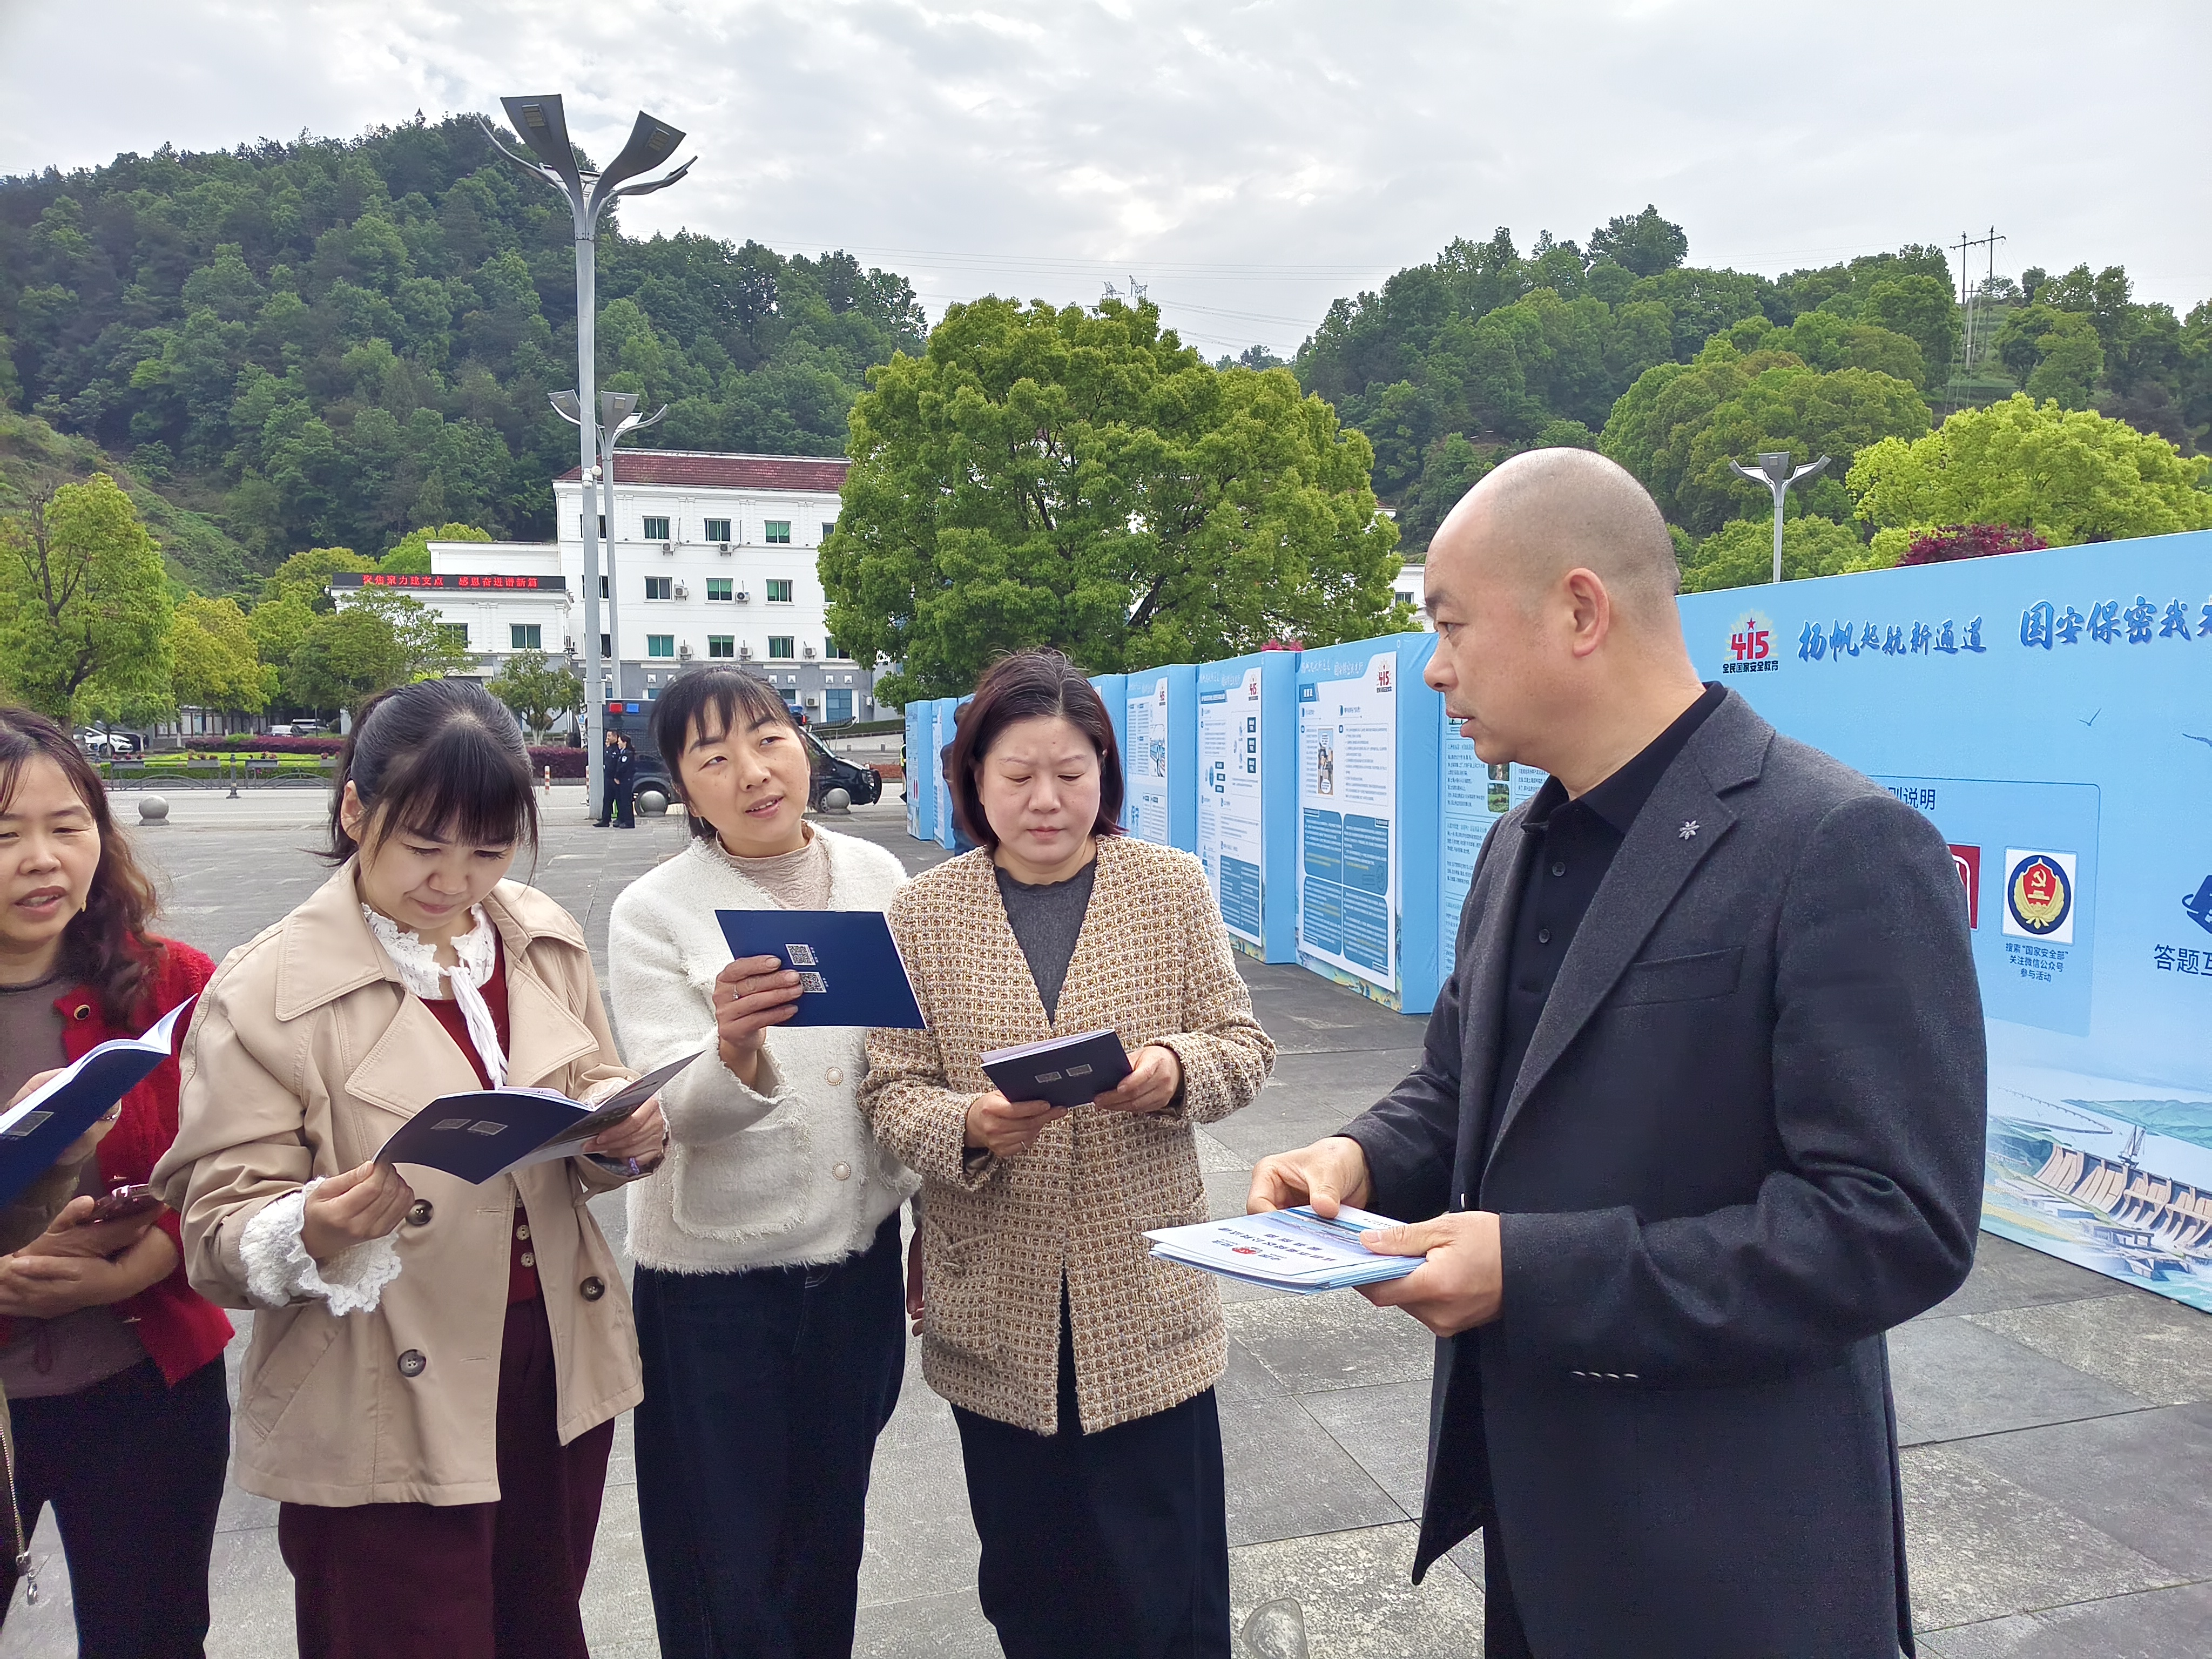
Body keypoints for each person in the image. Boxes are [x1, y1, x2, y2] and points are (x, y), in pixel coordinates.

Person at [1249, 449, 1987, 1659]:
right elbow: (1461, 1087)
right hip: (1539, 1521)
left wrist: (1534, 1274)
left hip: (1732, 1550)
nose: (1431, 667)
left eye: (1449, 626)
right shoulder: (1515, 844)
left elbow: (1892, 1222)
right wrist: (1356, 1158)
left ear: (1579, 611)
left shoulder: (1835, 844)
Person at [151, 679, 669, 1659]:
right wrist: (315, 1221)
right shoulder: (266, 989)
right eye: (423, 844)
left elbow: (588, 1089)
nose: (454, 879)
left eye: (487, 848)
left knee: (540, 1625)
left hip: (548, 1363)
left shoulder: (536, 935)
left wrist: (624, 1132)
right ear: (355, 809)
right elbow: (215, 1229)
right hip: (381, 1381)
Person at [863, 649, 1276, 1659]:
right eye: (1016, 775)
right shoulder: (923, 913)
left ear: (1106, 773)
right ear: (972, 778)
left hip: (1142, 1295)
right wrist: (969, 1125)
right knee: (1034, 1581)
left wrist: (1173, 1070)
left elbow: (1242, 1042)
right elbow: (889, 1088)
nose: (1046, 799)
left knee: (1167, 1581)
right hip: (995, 1298)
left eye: (1072, 773)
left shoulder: (1168, 886)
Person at [609, 667, 918, 1659]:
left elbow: (914, 1065)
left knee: (829, 1539)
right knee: (723, 1564)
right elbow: (670, 1114)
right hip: (714, 1286)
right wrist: (732, 1048)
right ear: (681, 787)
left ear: (803, 743)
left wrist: (926, 1220)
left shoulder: (879, 879)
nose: (751, 771)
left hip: (856, 1264)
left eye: (769, 738)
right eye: (713, 757)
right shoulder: (656, 910)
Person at [0, 705, 234, 1657]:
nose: (43, 859)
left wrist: (134, 1267)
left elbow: (240, 1164)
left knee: (154, 1634)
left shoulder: (173, 982)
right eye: (4, 834)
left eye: (68, 825)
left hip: (146, 1384)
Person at [598, 731, 637, 829]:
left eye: (620, 741)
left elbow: (622, 767)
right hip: (613, 779)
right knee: (609, 800)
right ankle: (607, 819)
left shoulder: (626, 753)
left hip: (622, 780)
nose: (607, 738)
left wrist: (617, 777)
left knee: (624, 801)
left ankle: (627, 821)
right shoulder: (614, 750)